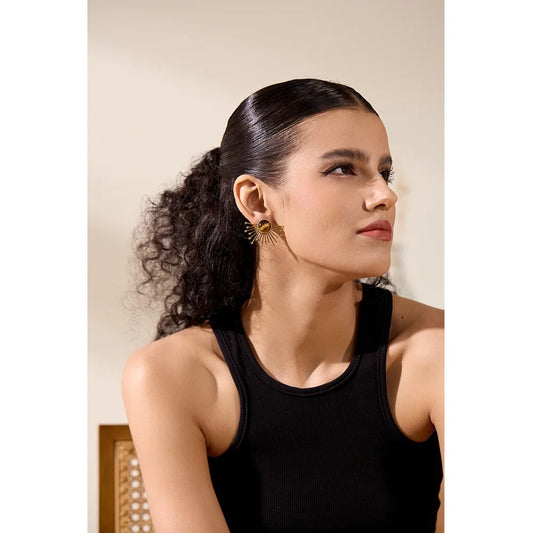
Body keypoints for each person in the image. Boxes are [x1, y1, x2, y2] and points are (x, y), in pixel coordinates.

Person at [122, 78, 444, 533]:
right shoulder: (170, 375)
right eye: (343, 169)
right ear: (256, 200)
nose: (385, 195)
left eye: (384, 173)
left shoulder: (441, 353)